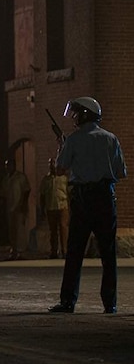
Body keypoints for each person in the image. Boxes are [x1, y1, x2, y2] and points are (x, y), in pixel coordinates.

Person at [49, 97, 127, 314]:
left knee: (74, 252)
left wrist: (62, 147)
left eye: (76, 113)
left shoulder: (74, 140)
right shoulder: (111, 138)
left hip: (82, 199)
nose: (73, 117)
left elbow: (60, 168)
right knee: (108, 254)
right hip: (105, 198)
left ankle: (67, 301)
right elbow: (121, 172)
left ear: (84, 114)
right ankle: (110, 303)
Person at [40, 158, 69, 259]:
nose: (52, 165)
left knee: (63, 228)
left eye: (53, 163)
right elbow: (42, 195)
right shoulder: (46, 179)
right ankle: (54, 251)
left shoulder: (64, 178)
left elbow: (69, 193)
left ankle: (65, 251)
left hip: (62, 206)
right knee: (53, 231)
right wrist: (42, 208)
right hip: (50, 207)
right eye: (50, 163)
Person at [2, 158, 30, 261]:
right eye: (6, 165)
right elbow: (3, 194)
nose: (7, 167)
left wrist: (23, 204)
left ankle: (20, 251)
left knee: (19, 230)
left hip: (19, 207)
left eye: (9, 165)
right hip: (10, 208)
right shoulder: (6, 179)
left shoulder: (20, 177)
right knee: (12, 230)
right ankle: (13, 250)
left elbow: (26, 190)